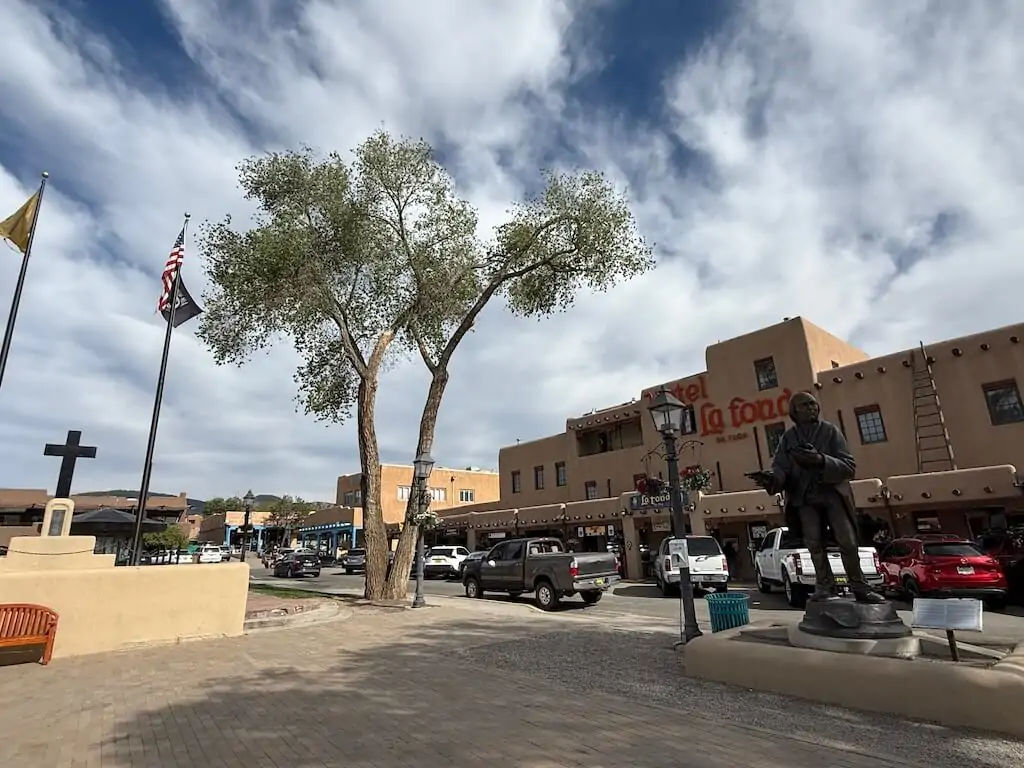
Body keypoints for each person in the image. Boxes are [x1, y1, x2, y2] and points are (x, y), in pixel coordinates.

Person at [751, 390, 884, 604]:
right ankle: (825, 586)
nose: (812, 407)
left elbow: (849, 467)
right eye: (805, 405)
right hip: (805, 498)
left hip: (832, 494)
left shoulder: (830, 432)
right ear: (795, 411)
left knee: (847, 541)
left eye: (813, 404)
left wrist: (821, 460)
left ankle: (860, 587)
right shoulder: (789, 438)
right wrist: (771, 478)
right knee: (814, 544)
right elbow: (781, 468)